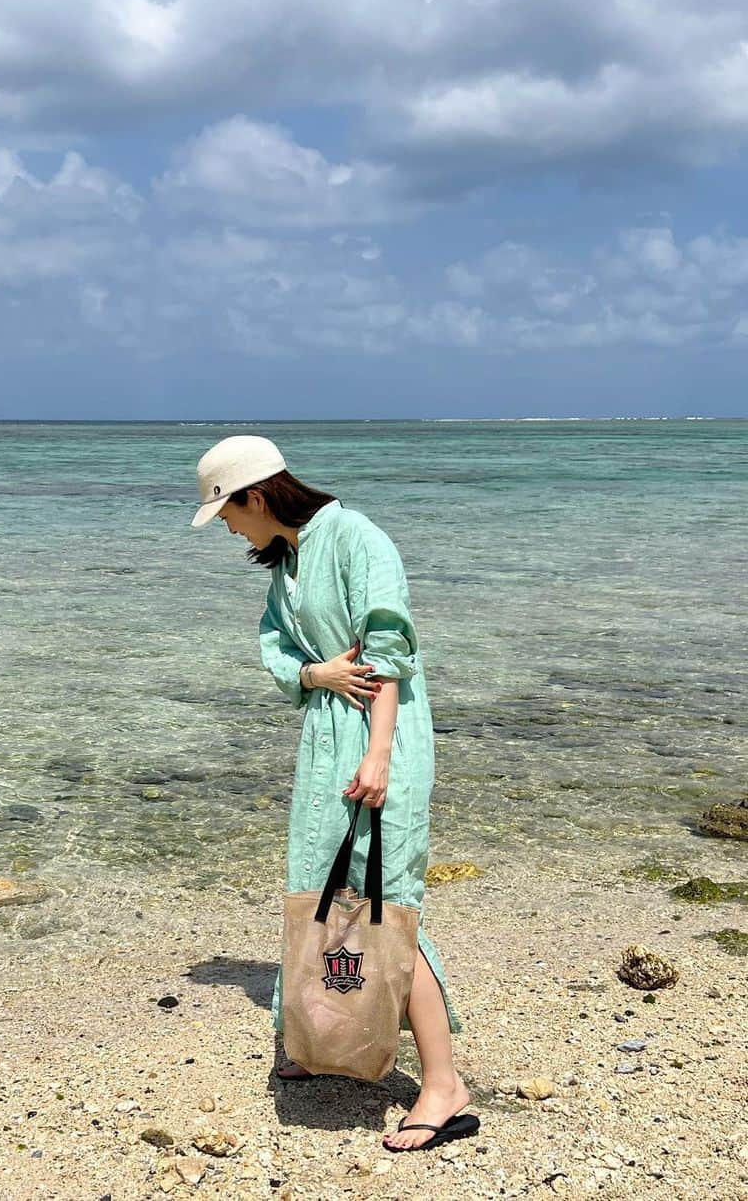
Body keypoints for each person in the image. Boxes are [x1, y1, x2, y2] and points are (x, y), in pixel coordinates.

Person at [191, 434, 475, 1152]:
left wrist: (380, 754)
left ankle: (443, 1083)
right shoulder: (287, 561)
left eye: (226, 511)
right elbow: (281, 650)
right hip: (327, 742)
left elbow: (388, 653)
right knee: (322, 889)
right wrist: (314, 677)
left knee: (386, 903)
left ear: (256, 495)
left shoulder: (356, 537)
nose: (227, 527)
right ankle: (325, 1036)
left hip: (382, 740)